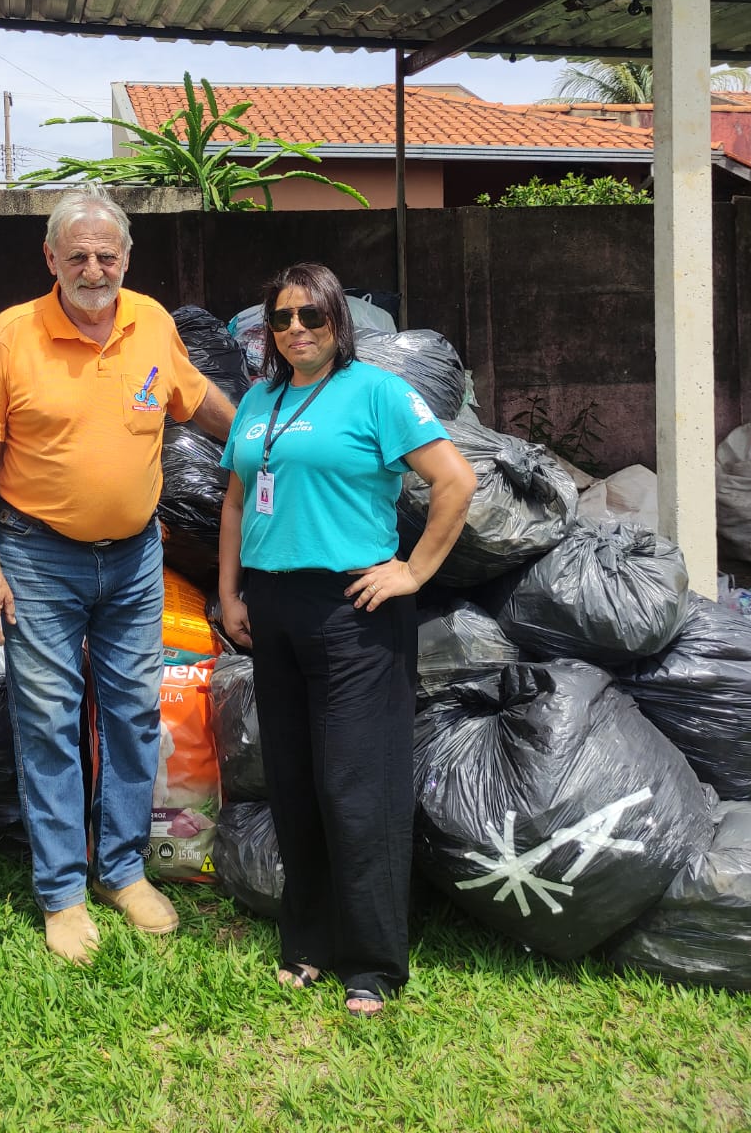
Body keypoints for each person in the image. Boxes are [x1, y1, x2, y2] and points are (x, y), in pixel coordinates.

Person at [0, 187, 236, 964]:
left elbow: (195, 401)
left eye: (105, 255)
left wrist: (263, 436)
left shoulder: (150, 320)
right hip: (37, 557)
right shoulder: (13, 334)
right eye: (76, 255)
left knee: (133, 714)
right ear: (50, 258)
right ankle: (61, 891)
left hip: (134, 556)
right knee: (48, 720)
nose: (92, 268)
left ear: (126, 258)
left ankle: (120, 870)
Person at [217, 262, 476, 1018]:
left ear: (339, 321)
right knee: (294, 781)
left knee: (357, 787)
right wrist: (230, 593)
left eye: (312, 316)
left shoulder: (377, 393)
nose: (296, 329)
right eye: (282, 318)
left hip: (353, 609)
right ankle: (306, 943)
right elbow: (235, 500)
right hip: (272, 605)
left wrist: (412, 571)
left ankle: (372, 962)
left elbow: (455, 480)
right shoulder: (258, 400)